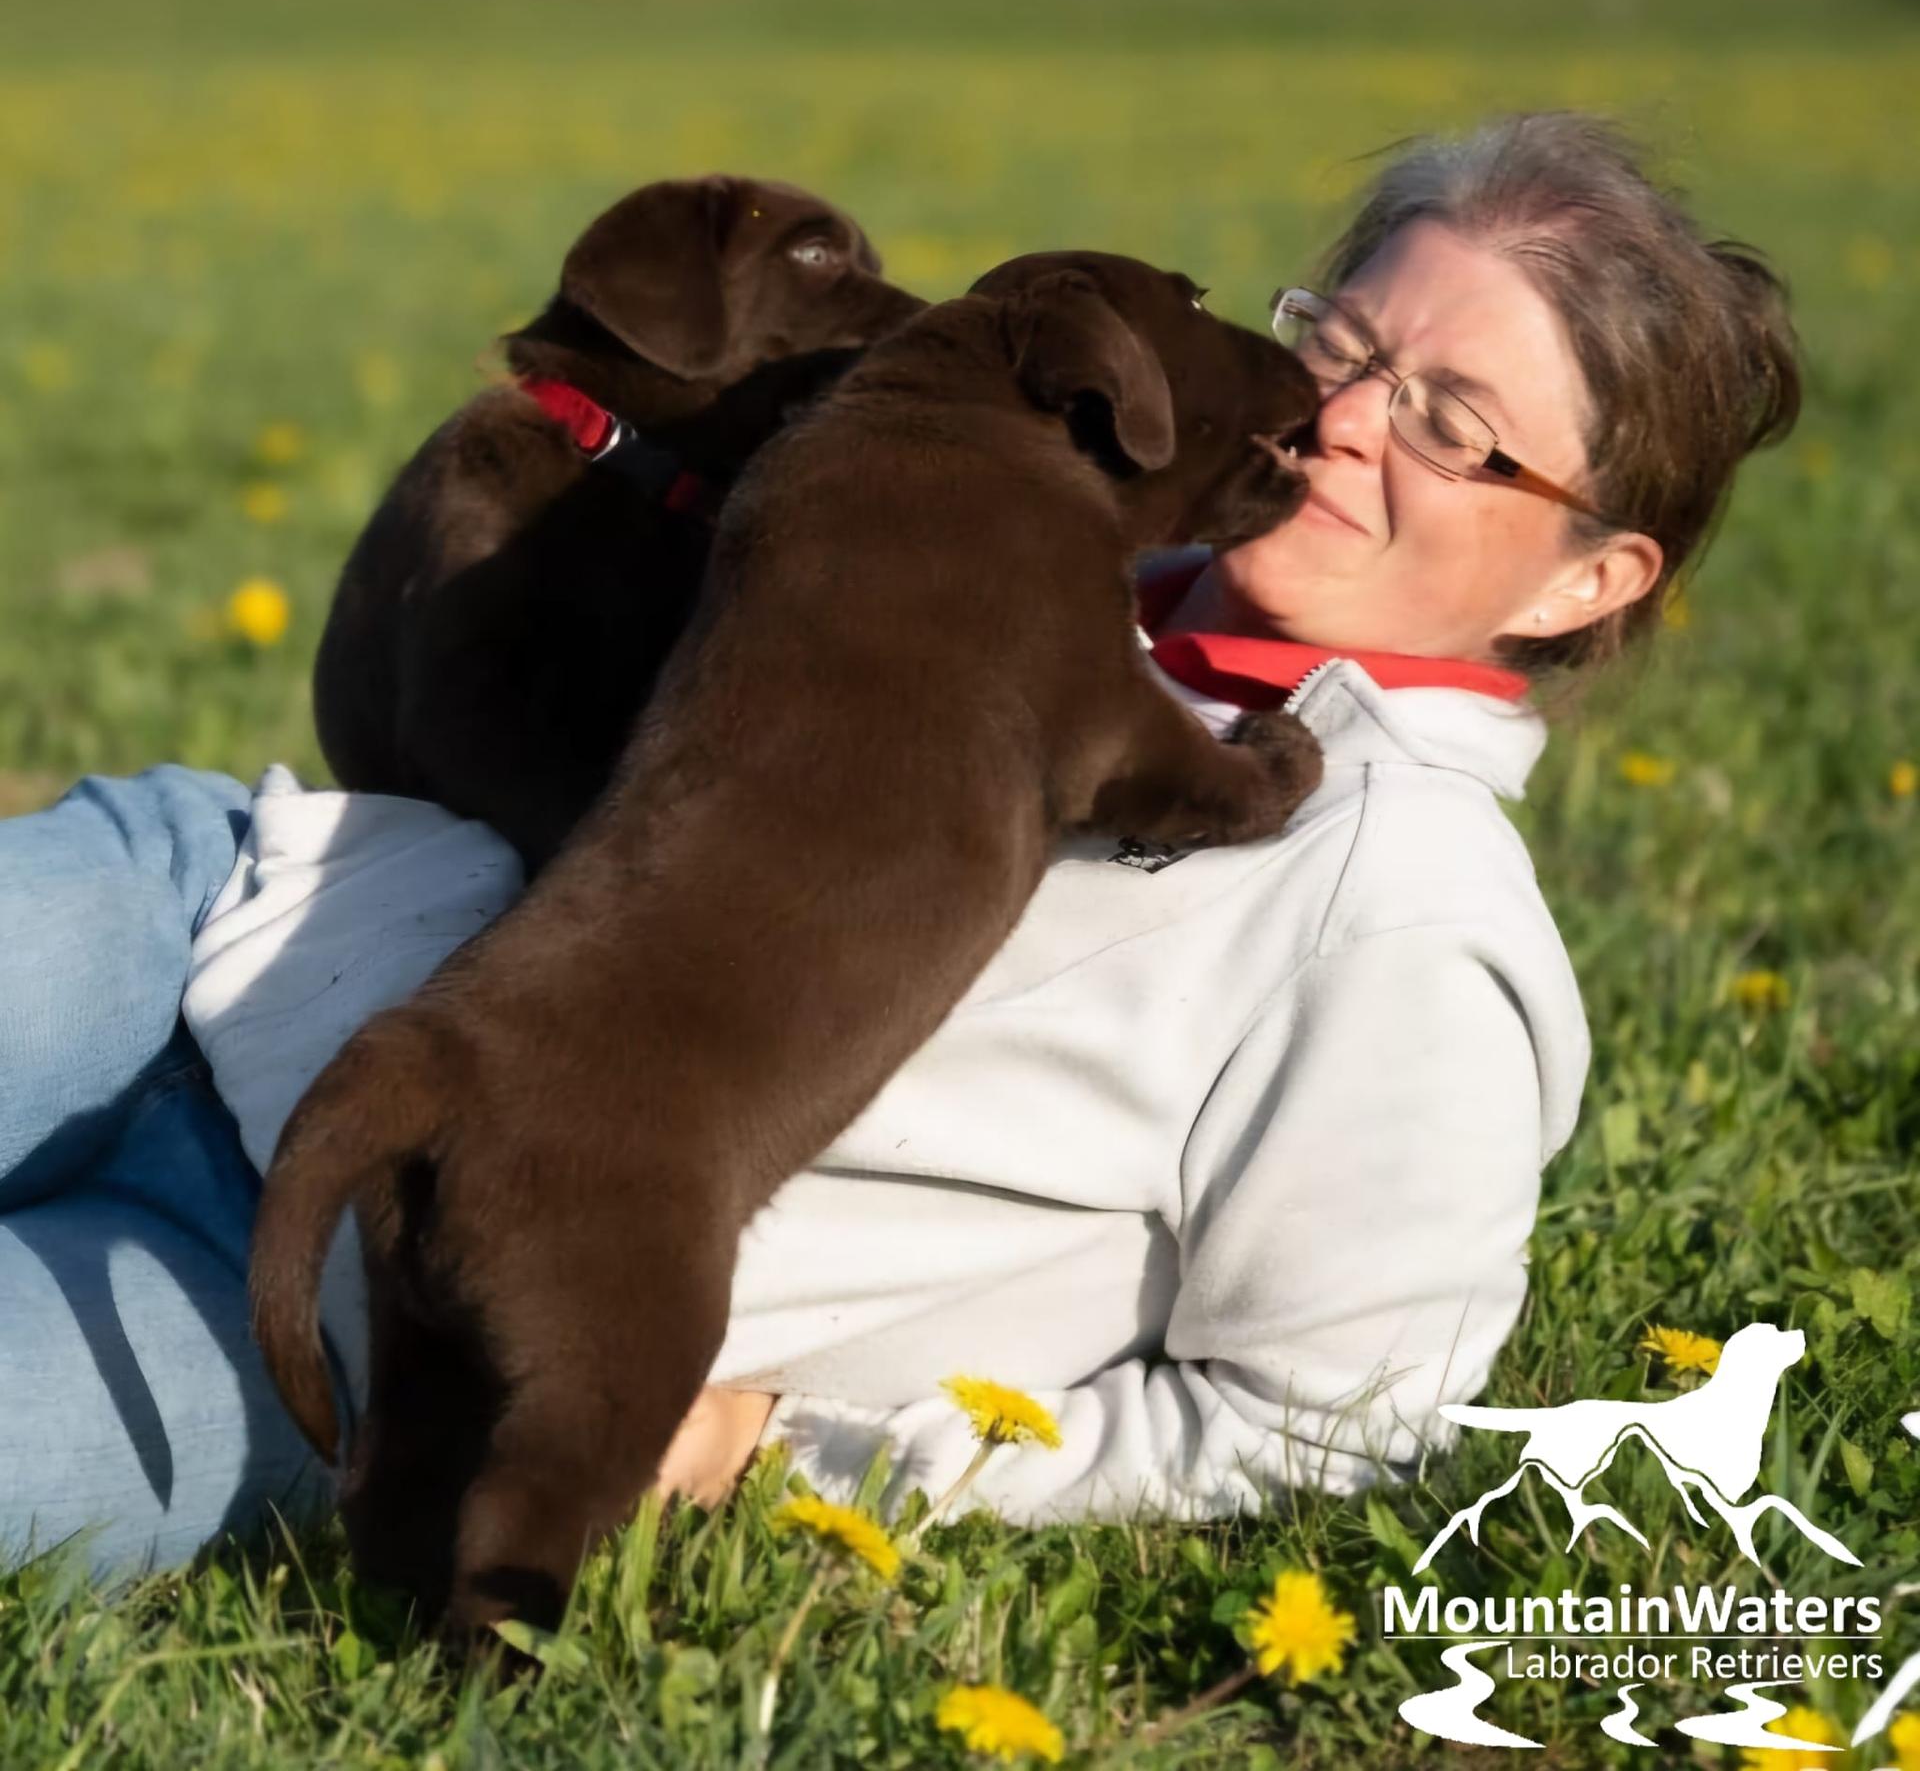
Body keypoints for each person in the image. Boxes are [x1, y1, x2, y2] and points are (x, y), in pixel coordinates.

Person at [0, 112, 1799, 1579]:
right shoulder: (1029, 492)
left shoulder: (1400, 906)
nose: (1341, 421)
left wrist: (779, 1452)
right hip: (204, 911)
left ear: (1588, 576)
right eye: (1344, 343)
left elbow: (1330, 1423)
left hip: (359, 1292)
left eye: (1451, 425)